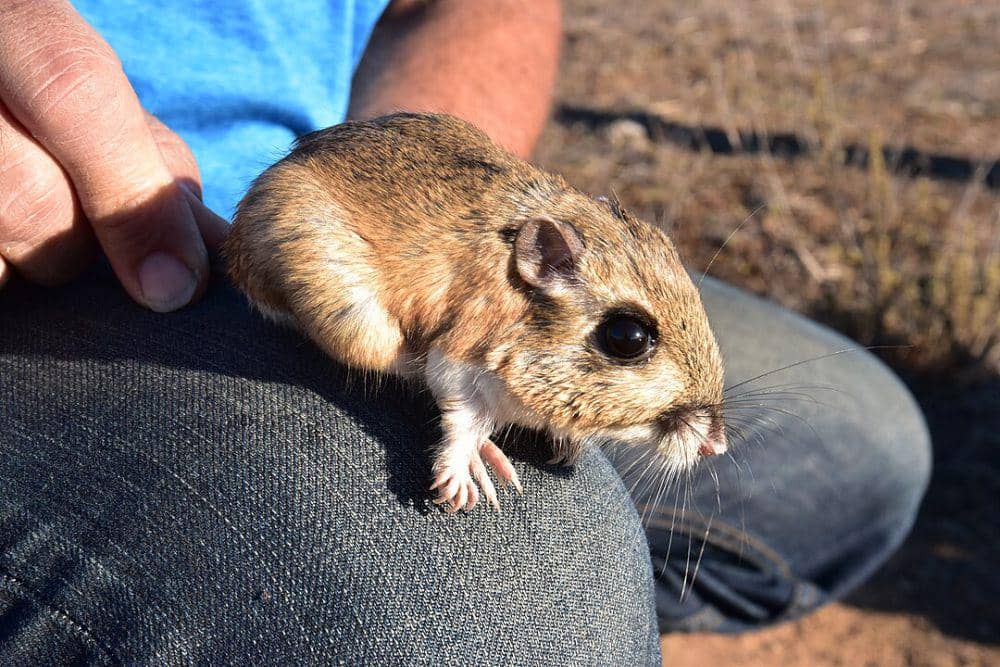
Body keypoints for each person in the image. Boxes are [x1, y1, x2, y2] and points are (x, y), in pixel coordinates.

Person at [0, 1, 930, 663]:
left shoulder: (549, 274)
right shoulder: (498, 314)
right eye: (627, 341)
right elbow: (455, 359)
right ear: (543, 266)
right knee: (516, 606)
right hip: (80, 255)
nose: (709, 433)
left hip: (362, 152)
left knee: (855, 454)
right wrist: (464, 430)